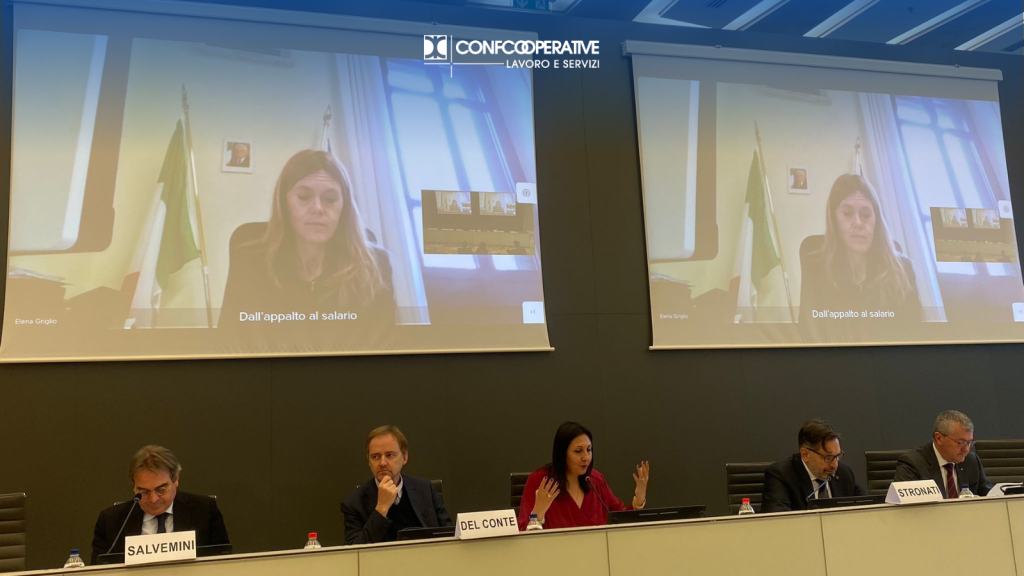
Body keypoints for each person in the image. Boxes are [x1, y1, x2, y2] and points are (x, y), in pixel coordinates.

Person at [220, 150, 395, 328]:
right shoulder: (249, 260)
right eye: (304, 197)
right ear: (284, 203)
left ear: (344, 207)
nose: (318, 208)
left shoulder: (375, 265)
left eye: (330, 199)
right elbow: (232, 336)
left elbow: (382, 340)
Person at [799, 174, 921, 323]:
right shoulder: (816, 266)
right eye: (847, 214)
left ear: (876, 221)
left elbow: (913, 332)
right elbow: (810, 330)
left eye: (865, 215)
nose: (858, 223)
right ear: (834, 220)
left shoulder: (903, 270)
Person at [91, 446, 229, 564]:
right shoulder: (111, 521)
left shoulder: (204, 511)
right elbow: (97, 570)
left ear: (176, 479)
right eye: (143, 491)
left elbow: (223, 564)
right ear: (134, 486)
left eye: (161, 489)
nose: (153, 499)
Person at [517, 422, 649, 530]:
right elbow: (522, 532)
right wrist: (537, 514)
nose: (586, 457)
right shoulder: (541, 481)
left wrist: (639, 499)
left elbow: (622, 520)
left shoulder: (595, 480)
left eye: (589, 450)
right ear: (562, 453)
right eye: (578, 451)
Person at [341, 425, 451, 544]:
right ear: (369, 461)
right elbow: (355, 550)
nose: (382, 463)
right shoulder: (354, 503)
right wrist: (381, 508)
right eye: (375, 457)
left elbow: (450, 534)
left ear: (404, 457)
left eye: (390, 455)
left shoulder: (425, 489)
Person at [761, 419, 867, 513]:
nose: (835, 465)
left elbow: (869, 506)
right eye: (828, 458)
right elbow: (778, 520)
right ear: (805, 455)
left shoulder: (844, 472)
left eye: (837, 456)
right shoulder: (781, 475)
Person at [893, 410, 992, 498]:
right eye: (961, 442)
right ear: (939, 438)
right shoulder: (913, 463)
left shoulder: (971, 460)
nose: (966, 449)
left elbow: (989, 495)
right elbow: (906, 506)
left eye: (969, 443)